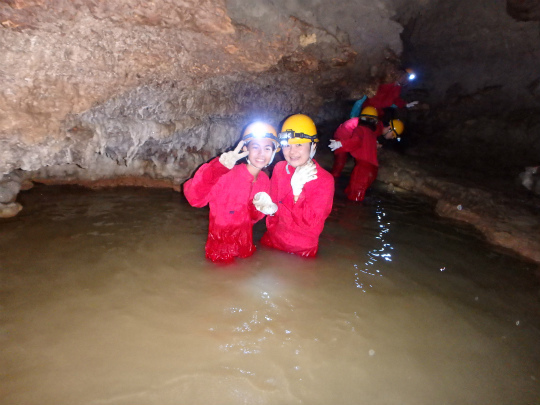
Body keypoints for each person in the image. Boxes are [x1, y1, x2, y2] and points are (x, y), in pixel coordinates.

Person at [184, 122, 281, 263]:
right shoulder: (226, 174)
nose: (261, 154)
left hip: (245, 248)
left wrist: (260, 208)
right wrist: (218, 167)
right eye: (255, 147)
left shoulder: (264, 180)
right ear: (246, 148)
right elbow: (195, 198)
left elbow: (253, 219)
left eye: (267, 148)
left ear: (273, 152)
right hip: (219, 251)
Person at [261, 114, 335, 257]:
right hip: (272, 240)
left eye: (299, 145)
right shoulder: (280, 169)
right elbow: (273, 206)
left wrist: (297, 193)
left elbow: (312, 224)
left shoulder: (324, 180)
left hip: (301, 250)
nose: (292, 151)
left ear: (313, 145)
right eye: (287, 145)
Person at [330, 111, 404, 202]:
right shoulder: (372, 132)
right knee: (351, 192)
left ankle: (349, 212)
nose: (392, 138)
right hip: (372, 170)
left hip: (363, 169)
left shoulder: (361, 129)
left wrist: (340, 144)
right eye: (393, 135)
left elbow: (356, 141)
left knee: (354, 200)